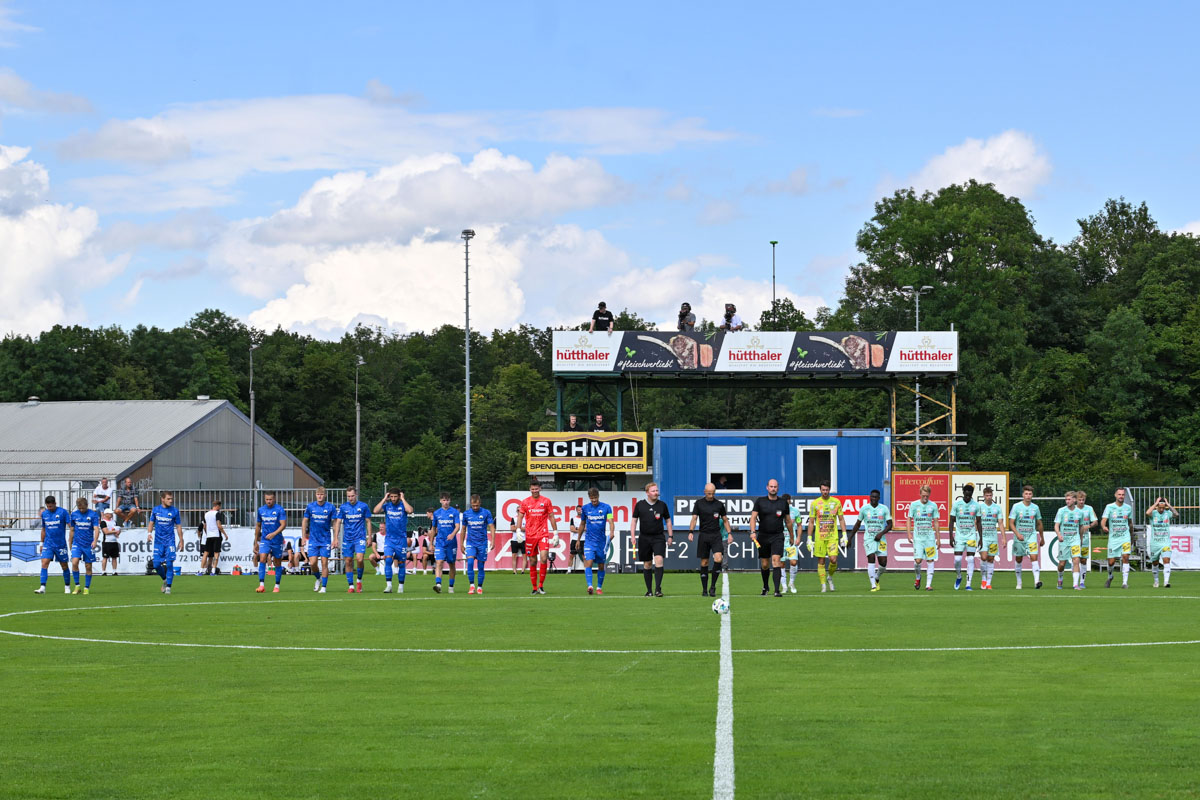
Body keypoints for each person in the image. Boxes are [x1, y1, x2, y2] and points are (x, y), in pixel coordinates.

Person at [751, 478, 793, 597]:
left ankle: (777, 590)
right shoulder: (760, 501)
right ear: (767, 487)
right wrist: (753, 531)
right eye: (771, 486)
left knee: (776, 560)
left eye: (775, 487)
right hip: (763, 536)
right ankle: (765, 586)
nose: (773, 489)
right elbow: (753, 518)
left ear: (778, 488)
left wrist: (792, 535)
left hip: (777, 536)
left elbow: (788, 521)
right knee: (765, 564)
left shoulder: (783, 503)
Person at [515, 479, 558, 594]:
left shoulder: (546, 501)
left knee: (543, 558)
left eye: (536, 489)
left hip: (543, 534)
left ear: (540, 488)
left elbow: (551, 516)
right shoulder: (525, 502)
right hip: (530, 535)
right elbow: (520, 516)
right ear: (530, 489)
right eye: (532, 489)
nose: (534, 491)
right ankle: (534, 588)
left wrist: (555, 533)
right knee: (533, 561)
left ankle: (541, 586)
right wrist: (518, 530)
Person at [631, 483, 672, 597]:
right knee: (647, 564)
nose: (656, 493)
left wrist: (670, 536)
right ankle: (649, 591)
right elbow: (634, 521)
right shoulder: (640, 505)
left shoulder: (662, 505)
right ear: (647, 493)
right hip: (644, 538)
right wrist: (633, 536)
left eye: (657, 490)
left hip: (658, 537)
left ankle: (658, 589)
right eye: (653, 491)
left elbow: (668, 521)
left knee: (659, 560)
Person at [688, 483, 728, 598]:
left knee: (718, 558)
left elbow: (725, 520)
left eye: (713, 493)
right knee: (704, 562)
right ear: (705, 492)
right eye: (709, 493)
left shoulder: (719, 505)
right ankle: (704, 589)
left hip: (716, 535)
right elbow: (694, 518)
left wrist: (729, 533)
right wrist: (691, 531)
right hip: (704, 535)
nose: (711, 495)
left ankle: (713, 587)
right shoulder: (699, 503)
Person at [574, 488, 614, 595]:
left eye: (595, 498)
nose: (594, 500)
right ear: (589, 498)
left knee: (601, 565)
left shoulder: (607, 507)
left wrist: (612, 532)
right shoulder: (585, 508)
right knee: (589, 562)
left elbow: (611, 521)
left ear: (598, 496)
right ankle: (590, 586)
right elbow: (582, 524)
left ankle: (599, 587)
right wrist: (578, 539)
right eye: (592, 498)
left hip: (601, 542)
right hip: (589, 541)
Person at [804, 481, 842, 594]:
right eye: (823, 490)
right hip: (819, 537)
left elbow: (841, 519)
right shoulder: (815, 503)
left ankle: (830, 577)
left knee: (833, 559)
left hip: (832, 536)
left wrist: (844, 534)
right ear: (820, 490)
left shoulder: (836, 502)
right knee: (821, 561)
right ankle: (823, 584)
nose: (825, 492)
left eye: (827, 490)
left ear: (829, 490)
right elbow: (811, 522)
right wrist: (809, 538)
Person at [851, 489, 892, 592]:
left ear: (879, 498)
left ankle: (877, 577)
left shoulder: (884, 509)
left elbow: (890, 524)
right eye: (872, 497)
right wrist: (850, 537)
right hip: (869, 538)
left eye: (875, 497)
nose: (873, 498)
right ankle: (873, 585)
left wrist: (881, 534)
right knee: (871, 558)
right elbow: (857, 524)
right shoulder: (864, 509)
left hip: (881, 539)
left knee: (883, 563)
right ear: (870, 497)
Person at [375, 487, 414, 594]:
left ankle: (400, 586)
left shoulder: (403, 505)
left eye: (395, 496)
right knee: (388, 560)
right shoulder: (387, 506)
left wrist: (403, 499)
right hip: (389, 540)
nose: (393, 499)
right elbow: (375, 511)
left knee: (401, 564)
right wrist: (384, 499)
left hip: (401, 540)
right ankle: (389, 586)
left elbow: (410, 510)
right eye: (391, 496)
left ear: (399, 496)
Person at [146, 491, 184, 594]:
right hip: (158, 542)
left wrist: (181, 541)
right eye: (168, 499)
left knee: (169, 563)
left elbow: (178, 526)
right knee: (156, 564)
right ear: (162, 499)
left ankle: (168, 588)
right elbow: (151, 523)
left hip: (170, 541)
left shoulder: (175, 511)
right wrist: (149, 533)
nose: (171, 501)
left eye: (171, 499)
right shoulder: (155, 510)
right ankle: (165, 580)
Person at [336, 487, 372, 593]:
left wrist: (370, 537)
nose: (350, 498)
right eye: (348, 496)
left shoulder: (363, 506)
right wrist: (335, 538)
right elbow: (338, 522)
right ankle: (351, 586)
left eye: (352, 496)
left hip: (360, 537)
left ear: (356, 495)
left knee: (360, 559)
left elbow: (368, 521)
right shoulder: (343, 507)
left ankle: (359, 581)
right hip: (347, 538)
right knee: (348, 561)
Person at [34, 496, 72, 594]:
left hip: (60, 544)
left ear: (55, 503)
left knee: (64, 565)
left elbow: (71, 526)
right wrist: (41, 543)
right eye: (48, 506)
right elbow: (43, 529)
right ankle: (42, 587)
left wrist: (73, 536)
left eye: (51, 506)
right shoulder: (44, 514)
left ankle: (67, 586)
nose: (49, 508)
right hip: (48, 544)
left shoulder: (63, 512)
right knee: (44, 563)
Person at [1009, 485, 1044, 590]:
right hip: (1019, 537)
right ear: (1023, 495)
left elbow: (1039, 523)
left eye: (1030, 494)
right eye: (1026, 494)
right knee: (1018, 559)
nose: (1028, 496)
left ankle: (1036, 581)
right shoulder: (1016, 506)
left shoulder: (1035, 507)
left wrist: (1042, 537)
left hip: (1031, 536)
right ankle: (1019, 582)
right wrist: (1017, 534)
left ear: (1032, 495)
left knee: (1034, 557)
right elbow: (1011, 523)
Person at [303, 487, 336, 593]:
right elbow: (305, 521)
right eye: (318, 494)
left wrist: (335, 538)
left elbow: (335, 523)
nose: (320, 496)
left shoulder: (330, 507)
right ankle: (318, 578)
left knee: (324, 562)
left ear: (325, 495)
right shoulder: (310, 506)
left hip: (325, 540)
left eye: (321, 494)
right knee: (312, 563)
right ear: (316, 495)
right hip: (313, 539)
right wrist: (303, 537)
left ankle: (324, 587)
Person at [907, 484, 940, 591]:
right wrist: (909, 533)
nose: (925, 497)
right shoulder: (914, 505)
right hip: (918, 538)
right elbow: (909, 519)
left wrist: (938, 538)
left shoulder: (933, 505)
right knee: (918, 561)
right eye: (923, 495)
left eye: (927, 496)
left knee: (930, 559)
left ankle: (928, 585)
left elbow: (936, 522)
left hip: (929, 537)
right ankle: (918, 577)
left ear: (929, 494)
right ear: (920, 494)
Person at [461, 495, 495, 595]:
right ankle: (472, 586)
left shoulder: (486, 512)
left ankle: (479, 587)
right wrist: (461, 544)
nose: (475, 507)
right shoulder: (466, 514)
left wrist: (493, 540)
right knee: (470, 562)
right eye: (473, 505)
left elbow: (491, 526)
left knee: (481, 566)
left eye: (477, 505)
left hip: (482, 543)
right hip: (470, 542)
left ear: (480, 503)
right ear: (471, 504)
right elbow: (463, 529)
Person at [950, 483, 981, 591]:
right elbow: (951, 521)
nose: (968, 497)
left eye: (969, 495)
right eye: (966, 495)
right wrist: (951, 536)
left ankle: (968, 584)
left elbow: (979, 522)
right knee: (957, 559)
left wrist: (980, 538)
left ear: (972, 494)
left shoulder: (976, 505)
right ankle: (959, 576)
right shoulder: (957, 504)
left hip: (971, 535)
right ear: (963, 493)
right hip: (959, 536)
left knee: (971, 558)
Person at [254, 492, 287, 593]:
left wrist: (274, 533)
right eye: (267, 499)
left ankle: (277, 586)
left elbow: (283, 525)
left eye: (270, 499)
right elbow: (258, 526)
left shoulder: (279, 509)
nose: (269, 501)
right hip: (265, 540)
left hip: (277, 540)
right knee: (262, 558)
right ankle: (261, 585)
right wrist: (256, 541)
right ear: (265, 499)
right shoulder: (261, 510)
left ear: (274, 499)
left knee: (277, 562)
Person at [1053, 491, 1085, 590]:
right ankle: (1060, 578)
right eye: (1066, 499)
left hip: (1075, 539)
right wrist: (1059, 535)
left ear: (1074, 500)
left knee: (1076, 560)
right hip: (1064, 540)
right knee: (1062, 563)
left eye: (1069, 499)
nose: (1067, 501)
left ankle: (1075, 584)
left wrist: (1080, 539)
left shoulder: (1080, 512)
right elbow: (1056, 525)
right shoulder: (1061, 511)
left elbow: (1081, 527)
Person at [69, 497, 101, 594]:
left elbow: (96, 529)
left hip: (88, 544)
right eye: (80, 508)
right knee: (74, 562)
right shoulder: (74, 514)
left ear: (87, 505)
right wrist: (70, 542)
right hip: (77, 543)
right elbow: (72, 529)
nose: (81, 510)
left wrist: (95, 541)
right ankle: (77, 586)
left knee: (88, 566)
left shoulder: (93, 514)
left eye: (83, 508)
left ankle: (86, 587)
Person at [431, 493, 461, 594]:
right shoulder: (436, 513)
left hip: (451, 543)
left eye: (447, 500)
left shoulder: (454, 512)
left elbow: (457, 526)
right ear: (440, 501)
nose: (446, 502)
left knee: (451, 564)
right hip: (440, 542)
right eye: (444, 500)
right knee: (439, 562)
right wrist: (431, 542)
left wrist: (452, 534)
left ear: (450, 500)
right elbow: (433, 528)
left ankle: (451, 586)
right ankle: (438, 585)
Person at [977, 486, 1004, 590]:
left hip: (993, 537)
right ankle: (983, 579)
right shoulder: (980, 507)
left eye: (990, 495)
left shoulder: (997, 508)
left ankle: (989, 583)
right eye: (987, 495)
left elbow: (1000, 523)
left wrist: (1004, 537)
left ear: (992, 496)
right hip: (982, 537)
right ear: (984, 496)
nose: (988, 497)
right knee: (984, 557)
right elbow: (976, 522)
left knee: (991, 559)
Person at [1146, 496, 1175, 588]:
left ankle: (1166, 582)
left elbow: (1176, 514)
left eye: (1163, 507)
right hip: (1155, 543)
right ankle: (1156, 581)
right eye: (1160, 507)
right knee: (1155, 563)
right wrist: (1155, 503)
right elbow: (1147, 512)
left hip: (1165, 542)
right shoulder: (1153, 513)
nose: (1162, 509)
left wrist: (1168, 505)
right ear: (1157, 507)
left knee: (1166, 560)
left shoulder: (1168, 513)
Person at [199, 499, 227, 576]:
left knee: (205, 553)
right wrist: (225, 534)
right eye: (220, 506)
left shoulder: (206, 514)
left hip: (209, 536)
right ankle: (213, 571)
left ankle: (201, 571)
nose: (220, 508)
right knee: (216, 553)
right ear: (217, 506)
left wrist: (208, 533)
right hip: (216, 535)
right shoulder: (217, 513)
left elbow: (204, 526)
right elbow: (219, 525)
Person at [782, 494, 803, 593]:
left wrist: (798, 537)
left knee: (793, 562)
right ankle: (784, 586)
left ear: (790, 501)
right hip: (780, 539)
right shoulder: (778, 511)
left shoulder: (795, 511)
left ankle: (791, 583)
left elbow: (799, 525)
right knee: (781, 563)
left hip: (792, 540)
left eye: (787, 501)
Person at [1076, 490, 1097, 588]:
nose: (1081, 502)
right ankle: (1075, 581)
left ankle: (1082, 582)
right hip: (1074, 538)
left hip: (1084, 539)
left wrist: (1088, 526)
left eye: (1083, 500)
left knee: (1083, 560)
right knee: (1075, 559)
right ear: (1076, 500)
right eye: (1079, 500)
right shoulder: (1072, 509)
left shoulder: (1089, 509)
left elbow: (1095, 522)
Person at [99, 509, 121, 576]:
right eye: (110, 513)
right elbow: (106, 532)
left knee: (114, 557)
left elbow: (118, 530)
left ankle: (114, 571)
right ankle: (103, 571)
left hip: (114, 541)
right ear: (106, 514)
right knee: (105, 557)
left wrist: (118, 533)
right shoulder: (103, 522)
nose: (111, 515)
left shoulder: (114, 522)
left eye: (111, 513)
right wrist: (114, 531)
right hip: (107, 542)